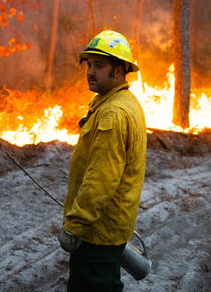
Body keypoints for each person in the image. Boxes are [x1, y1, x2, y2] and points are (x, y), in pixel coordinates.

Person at [58, 30, 147, 291]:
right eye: (89, 64)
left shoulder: (113, 113)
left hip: (97, 231)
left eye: (100, 65)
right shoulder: (120, 102)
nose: (90, 71)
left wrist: (75, 225)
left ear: (119, 70)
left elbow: (101, 180)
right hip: (106, 227)